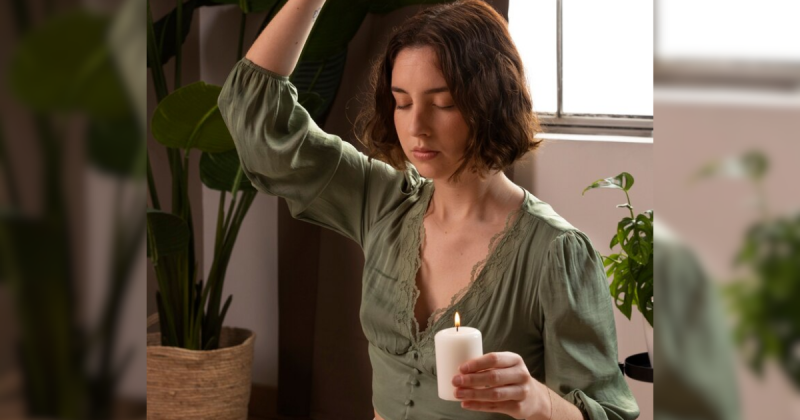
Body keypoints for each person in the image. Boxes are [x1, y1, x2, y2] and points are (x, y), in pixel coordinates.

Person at [217, 1, 640, 419]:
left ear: (491, 101)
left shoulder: (556, 253)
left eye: (443, 103)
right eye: (402, 102)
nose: (416, 125)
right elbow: (256, 115)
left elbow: (609, 414)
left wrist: (540, 402)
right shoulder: (383, 203)